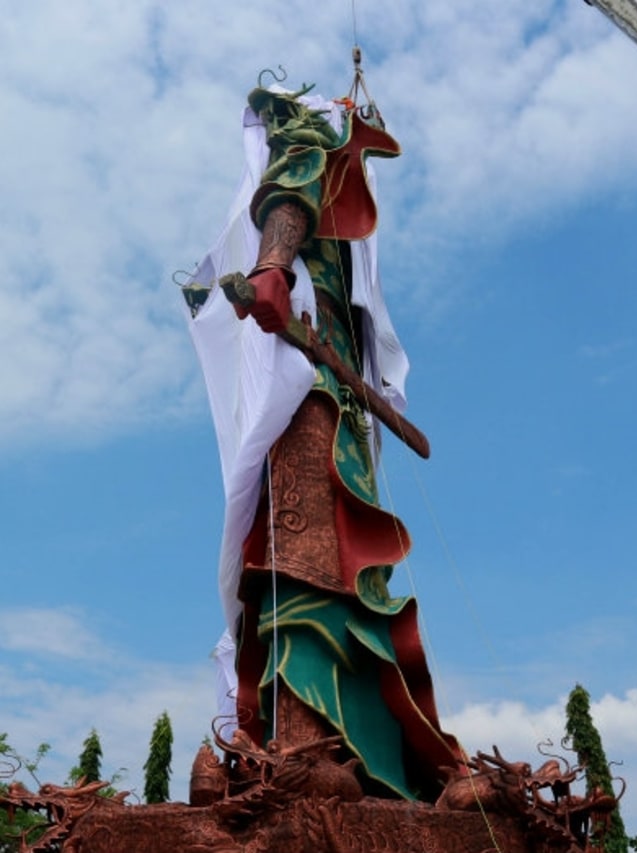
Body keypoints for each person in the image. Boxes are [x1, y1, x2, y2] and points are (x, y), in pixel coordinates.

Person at [187, 82, 462, 801]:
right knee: (305, 550)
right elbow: (291, 189)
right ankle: (302, 746)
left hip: (339, 390)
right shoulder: (312, 147)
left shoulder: (343, 212)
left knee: (349, 560)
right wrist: (274, 266)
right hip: (306, 381)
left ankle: (358, 756)